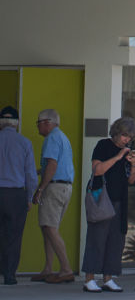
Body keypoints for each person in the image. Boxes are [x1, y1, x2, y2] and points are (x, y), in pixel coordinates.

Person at [81, 117, 135, 293]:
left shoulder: (127, 151)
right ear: (116, 132)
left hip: (119, 200)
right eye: (124, 135)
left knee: (116, 240)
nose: (126, 140)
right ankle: (89, 278)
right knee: (96, 238)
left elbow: (131, 180)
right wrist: (118, 157)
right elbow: (97, 170)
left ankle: (109, 277)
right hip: (102, 198)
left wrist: (134, 163)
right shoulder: (103, 146)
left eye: (129, 137)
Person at [32, 109, 76, 284]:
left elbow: (52, 163)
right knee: (48, 228)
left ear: (47, 122)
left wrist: (40, 189)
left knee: (50, 228)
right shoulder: (61, 137)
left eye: (39, 122)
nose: (37, 126)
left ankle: (65, 269)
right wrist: (35, 172)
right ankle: (48, 269)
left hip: (54, 187)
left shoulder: (51, 138)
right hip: (64, 187)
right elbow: (53, 165)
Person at [0, 106, 36, 285]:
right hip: (16, 195)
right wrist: (29, 197)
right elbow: (30, 174)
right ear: (16, 123)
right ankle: (9, 275)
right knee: (14, 236)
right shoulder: (24, 143)